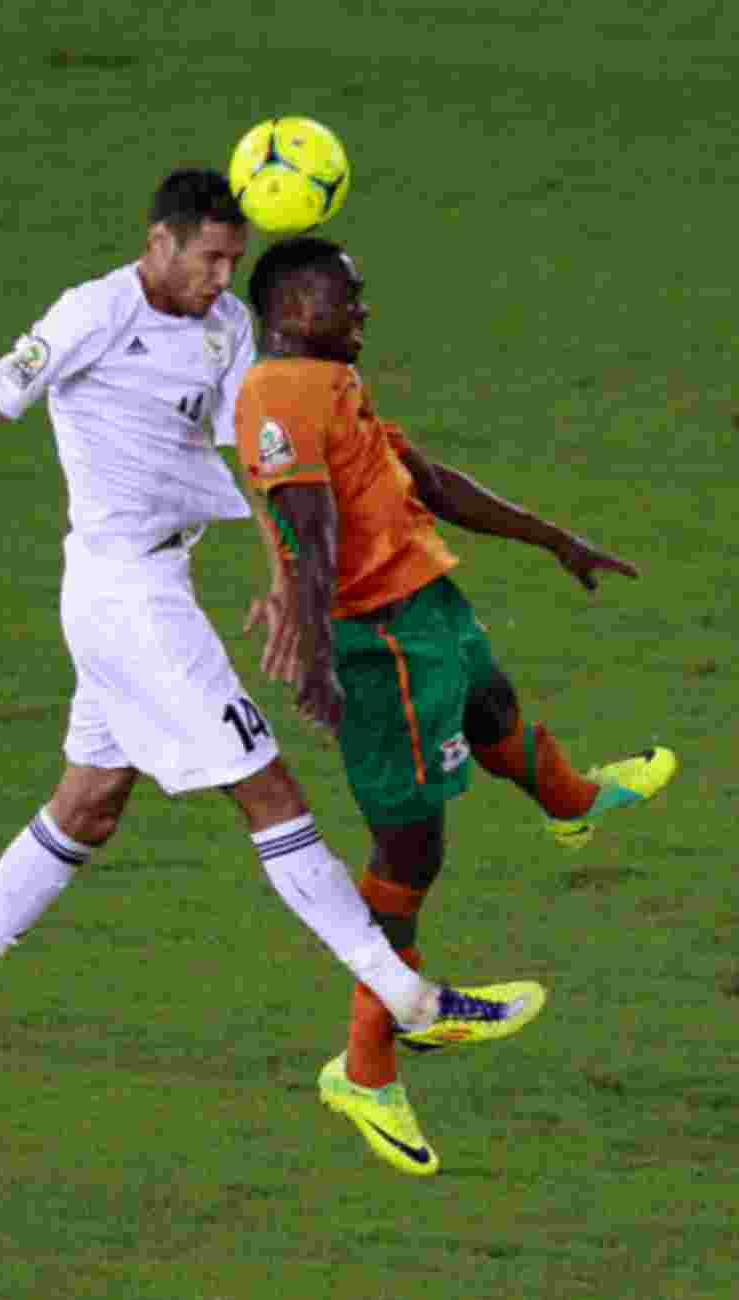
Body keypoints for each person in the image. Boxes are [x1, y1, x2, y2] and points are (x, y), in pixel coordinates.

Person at [0, 172, 544, 1157]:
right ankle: (408, 996)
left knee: (91, 801)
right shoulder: (91, 314)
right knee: (271, 791)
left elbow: (261, 456)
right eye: (207, 257)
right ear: (158, 242)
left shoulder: (224, 329)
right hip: (126, 598)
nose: (220, 277)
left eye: (234, 261)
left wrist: (287, 581)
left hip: (154, 586)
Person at [235, 236, 677, 1177]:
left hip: (426, 607)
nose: (363, 313)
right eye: (347, 300)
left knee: (491, 702)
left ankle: (571, 804)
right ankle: (366, 1064)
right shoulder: (278, 395)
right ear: (293, 308)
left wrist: (555, 538)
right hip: (377, 641)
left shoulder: (330, 383)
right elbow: (307, 533)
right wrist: (315, 655)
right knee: (410, 846)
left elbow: (423, 479)